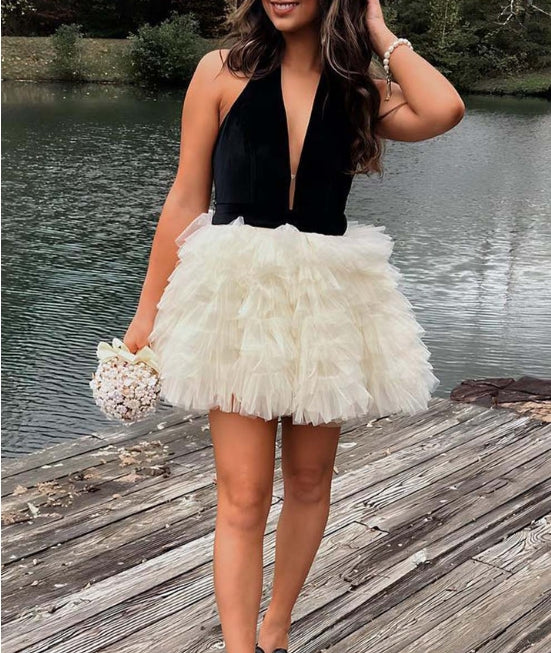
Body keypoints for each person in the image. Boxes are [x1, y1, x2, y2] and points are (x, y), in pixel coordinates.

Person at [124, 1, 465, 651]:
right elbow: (187, 196)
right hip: (236, 295)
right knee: (244, 493)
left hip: (324, 298)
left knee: (309, 481)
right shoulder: (221, 71)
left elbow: (443, 109)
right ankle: (238, 647)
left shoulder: (360, 91)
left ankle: (275, 631)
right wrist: (147, 312)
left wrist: (378, 31)